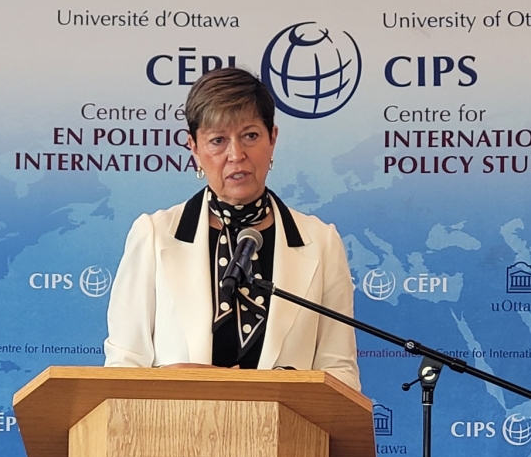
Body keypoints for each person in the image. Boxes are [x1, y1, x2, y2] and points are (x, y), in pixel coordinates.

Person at [103, 67, 360, 391]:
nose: (236, 155)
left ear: (272, 139)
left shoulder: (321, 242)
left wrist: (279, 386)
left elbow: (341, 373)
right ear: (194, 148)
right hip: (174, 422)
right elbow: (122, 369)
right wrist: (174, 380)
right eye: (218, 141)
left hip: (284, 424)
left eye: (250, 136)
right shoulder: (154, 235)